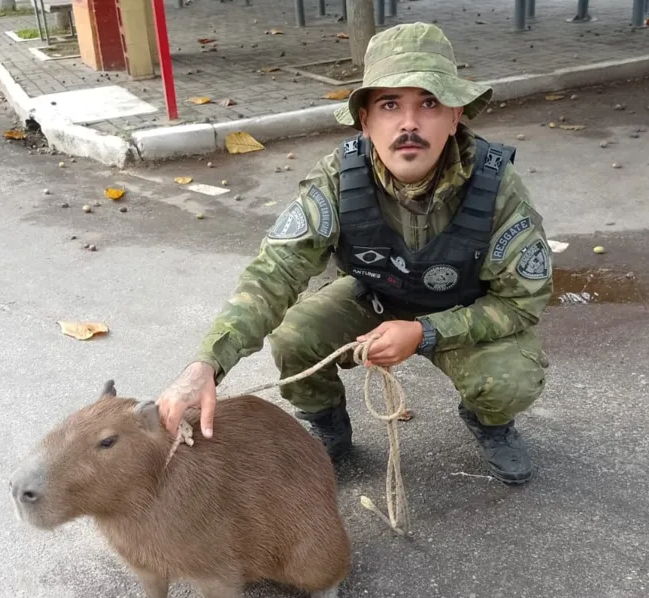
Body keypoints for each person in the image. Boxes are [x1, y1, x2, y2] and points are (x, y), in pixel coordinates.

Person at [156, 22, 552, 485]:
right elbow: (274, 272)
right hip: (375, 296)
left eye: (429, 103)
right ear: (365, 120)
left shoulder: (496, 186)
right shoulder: (338, 178)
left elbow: (522, 301)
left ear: (455, 115)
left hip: (463, 310)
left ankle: (491, 425)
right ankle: (328, 428)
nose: (409, 124)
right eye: (389, 105)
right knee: (293, 337)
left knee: (510, 379)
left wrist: (423, 332)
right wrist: (206, 363)